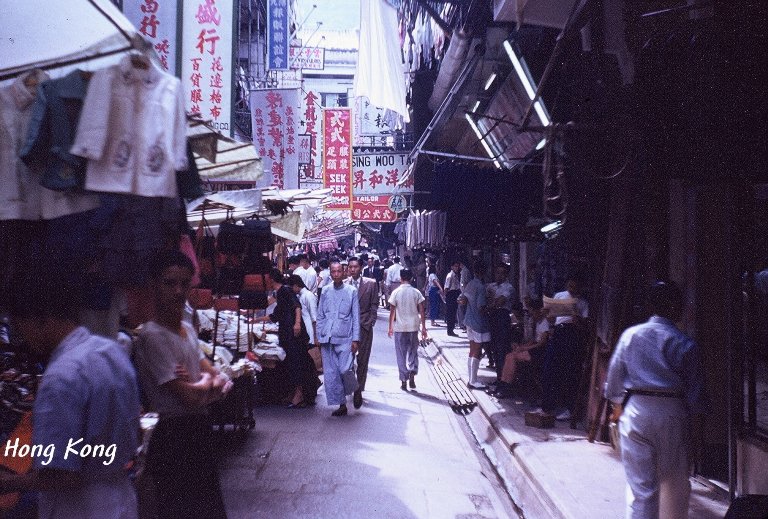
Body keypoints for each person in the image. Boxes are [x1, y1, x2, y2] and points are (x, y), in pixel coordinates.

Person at [1, 273, 141, 519]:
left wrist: (9, 483)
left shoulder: (60, 378)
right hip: (121, 497)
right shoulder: (111, 352)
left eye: (21, 326)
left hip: (80, 508)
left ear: (38, 319)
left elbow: (61, 475)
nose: (23, 337)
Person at [134, 251, 231, 519]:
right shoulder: (152, 337)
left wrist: (202, 382)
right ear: (154, 284)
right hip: (172, 435)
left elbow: (221, 379)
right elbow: (189, 397)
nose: (178, 291)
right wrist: (208, 383)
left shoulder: (186, 329)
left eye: (184, 284)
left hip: (197, 430)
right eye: (169, 283)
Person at [605, 281, 707, 519]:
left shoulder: (630, 336)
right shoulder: (685, 343)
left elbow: (613, 383)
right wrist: (697, 435)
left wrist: (617, 409)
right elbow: (696, 398)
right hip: (673, 414)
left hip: (637, 412)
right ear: (675, 307)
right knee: (675, 486)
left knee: (641, 490)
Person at [253, 269, 312, 408]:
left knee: (295, 363)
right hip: (286, 333)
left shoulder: (285, 290)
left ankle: (299, 394)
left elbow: (297, 306)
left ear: (272, 279)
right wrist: (255, 320)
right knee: (289, 363)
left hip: (294, 334)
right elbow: (275, 315)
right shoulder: (279, 293)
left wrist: (297, 324)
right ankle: (293, 393)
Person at [538, 275, 589, 421]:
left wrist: (576, 318)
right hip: (558, 332)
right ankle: (547, 407)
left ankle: (569, 409)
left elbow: (585, 326)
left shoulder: (583, 303)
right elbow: (552, 319)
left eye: (574, 287)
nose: (571, 290)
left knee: (570, 372)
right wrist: (547, 313)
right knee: (549, 369)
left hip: (573, 334)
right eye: (570, 286)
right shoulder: (560, 296)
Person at [316, 261, 360, 417]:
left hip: (345, 338)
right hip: (327, 338)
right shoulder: (326, 291)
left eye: (338, 271)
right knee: (331, 373)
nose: (336, 274)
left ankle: (355, 389)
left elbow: (355, 316)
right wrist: (318, 334)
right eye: (333, 272)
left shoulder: (351, 291)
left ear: (344, 272)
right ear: (330, 273)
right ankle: (342, 405)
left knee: (345, 369)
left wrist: (356, 339)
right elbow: (320, 315)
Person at [492, 299, 551, 399]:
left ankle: (506, 387)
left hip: (540, 351)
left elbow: (541, 343)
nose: (532, 315)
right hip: (534, 348)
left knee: (512, 357)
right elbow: (534, 340)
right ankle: (503, 384)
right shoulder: (537, 322)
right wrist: (522, 347)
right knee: (509, 355)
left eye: (533, 312)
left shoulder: (545, 323)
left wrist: (525, 348)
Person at [344, 257, 379, 408]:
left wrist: (371, 321)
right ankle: (352, 386)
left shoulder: (371, 284)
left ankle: (359, 389)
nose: (352, 269)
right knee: (347, 361)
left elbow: (374, 304)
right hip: (347, 328)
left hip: (364, 325)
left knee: (363, 360)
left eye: (355, 267)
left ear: (361, 267)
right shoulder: (343, 284)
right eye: (350, 267)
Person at [388, 269, 428, 391]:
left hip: (400, 327)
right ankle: (412, 372)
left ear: (401, 278)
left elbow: (392, 311)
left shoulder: (396, 292)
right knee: (413, 352)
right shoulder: (416, 292)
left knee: (400, 354)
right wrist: (424, 327)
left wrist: (390, 327)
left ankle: (403, 380)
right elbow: (422, 310)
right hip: (414, 326)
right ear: (411, 278)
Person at [486, 263, 518, 381]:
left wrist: (492, 302)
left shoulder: (508, 288)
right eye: (497, 272)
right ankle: (498, 377)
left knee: (502, 349)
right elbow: (485, 298)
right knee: (494, 347)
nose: (498, 275)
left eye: (501, 273)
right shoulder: (491, 286)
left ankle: (503, 379)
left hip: (502, 317)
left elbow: (500, 302)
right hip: (493, 317)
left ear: (506, 275)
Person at [462, 261, 491, 389]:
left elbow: (462, 299)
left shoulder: (470, 284)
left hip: (468, 320)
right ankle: (473, 380)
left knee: (472, 349)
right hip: (478, 321)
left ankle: (471, 379)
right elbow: (481, 307)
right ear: (484, 272)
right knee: (477, 350)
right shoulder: (480, 286)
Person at [444, 261, 462, 336]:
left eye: (457, 266)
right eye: (455, 266)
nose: (457, 268)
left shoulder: (455, 275)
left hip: (455, 294)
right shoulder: (450, 275)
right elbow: (446, 288)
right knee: (450, 313)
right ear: (452, 267)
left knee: (453, 312)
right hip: (451, 295)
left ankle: (451, 329)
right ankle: (450, 330)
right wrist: (446, 297)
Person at [457, 260, 472, 330]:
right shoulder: (464, 271)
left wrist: (464, 294)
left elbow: (465, 283)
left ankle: (463, 324)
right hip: (464, 292)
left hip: (464, 293)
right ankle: (463, 324)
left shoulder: (465, 271)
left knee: (462, 308)